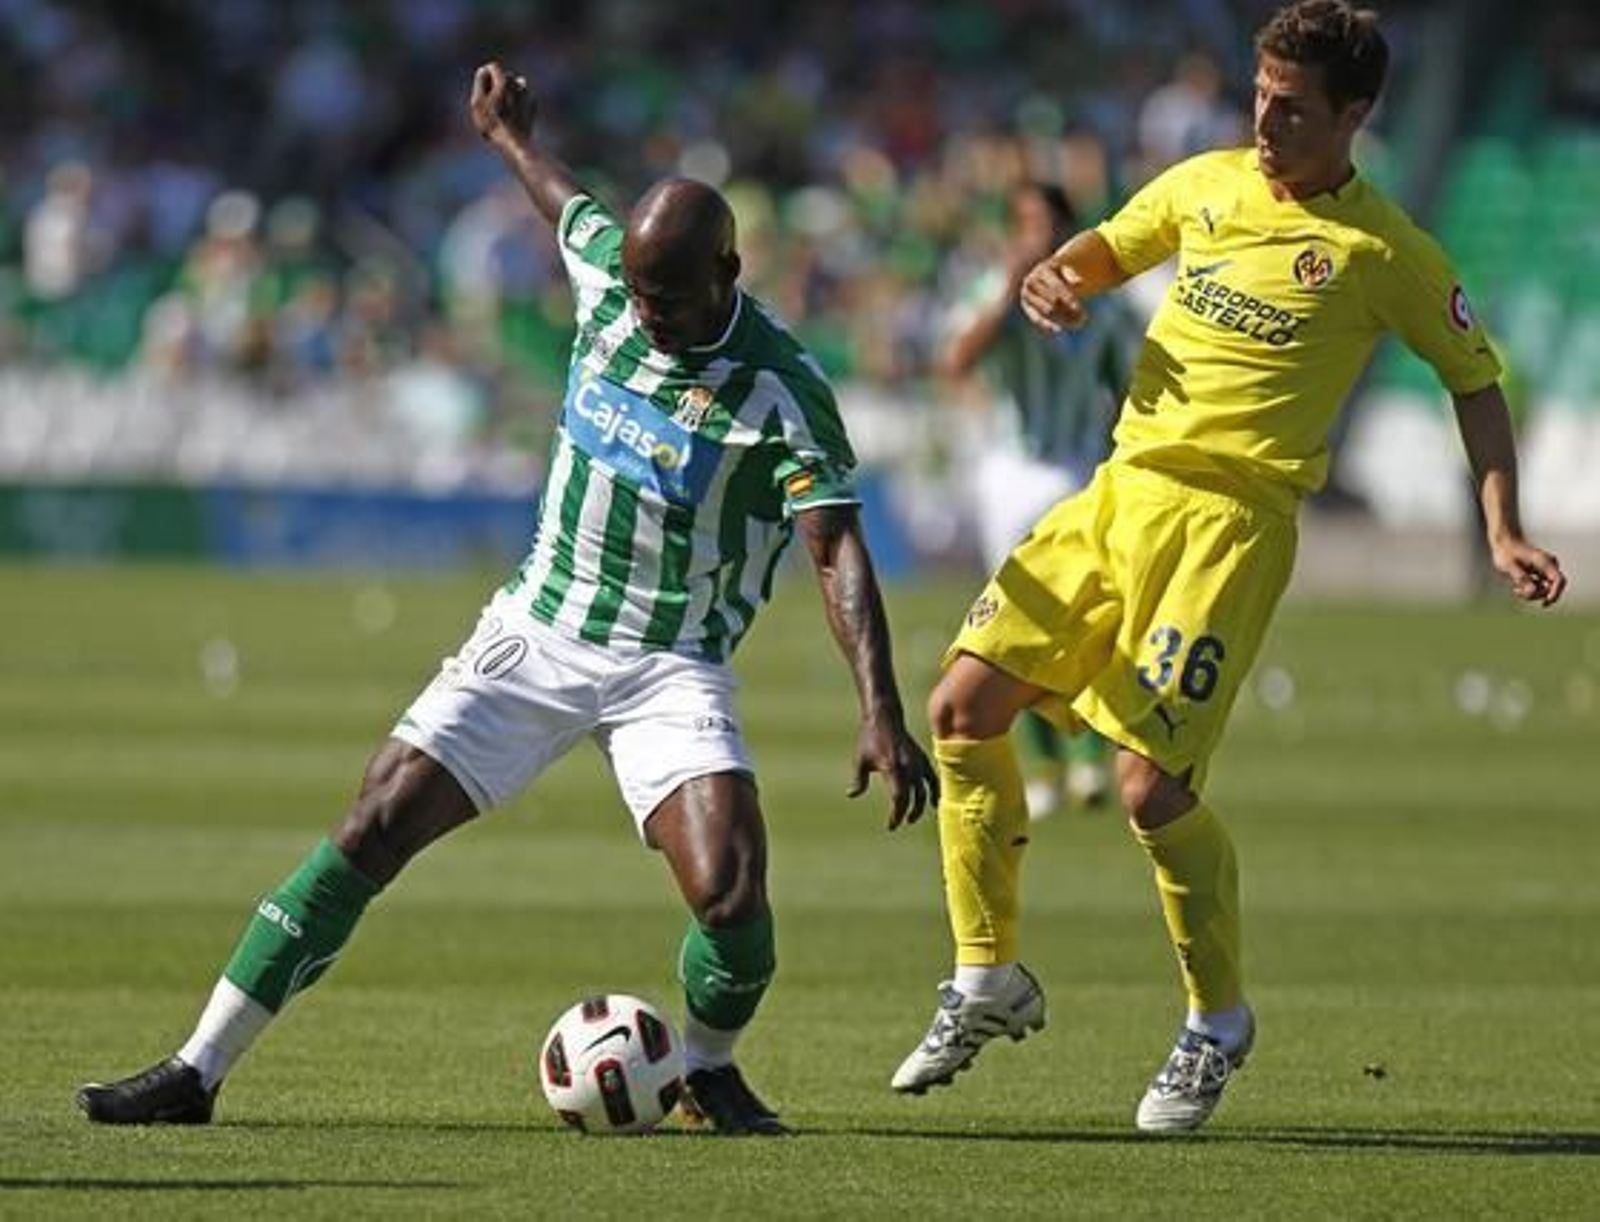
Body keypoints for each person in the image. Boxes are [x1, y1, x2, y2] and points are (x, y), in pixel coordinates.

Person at [78, 61, 938, 1138]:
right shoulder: (611, 279)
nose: (648, 316)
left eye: (669, 299)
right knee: (372, 822)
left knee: (730, 889)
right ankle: (196, 1070)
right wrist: (507, 136)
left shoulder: (782, 392)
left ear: (728, 269)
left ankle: (707, 1069)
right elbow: (565, 203)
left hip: (670, 662)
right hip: (538, 627)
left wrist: (879, 709)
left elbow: (836, 546)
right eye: (638, 294)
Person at [890, 0, 1567, 1134]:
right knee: (960, 707)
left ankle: (1216, 1021)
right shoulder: (1205, 183)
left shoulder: (1384, 253)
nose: (1264, 122)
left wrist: (1502, 527)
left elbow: (1475, 380)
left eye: (1291, 108)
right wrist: (1054, 279)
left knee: (1149, 790)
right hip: (1115, 492)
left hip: (1228, 530)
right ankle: (986, 975)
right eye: (1259, 96)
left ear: (1354, 115)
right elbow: (1103, 250)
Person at [941, 180, 1141, 817]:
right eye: (1025, 223)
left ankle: (1086, 758)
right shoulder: (993, 288)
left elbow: (1128, 387)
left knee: (1080, 613)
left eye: (1046, 223)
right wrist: (1008, 290)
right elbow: (957, 360)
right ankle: (1049, 764)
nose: (1037, 236)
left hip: (1075, 465)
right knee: (1015, 616)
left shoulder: (1106, 305)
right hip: (1009, 466)